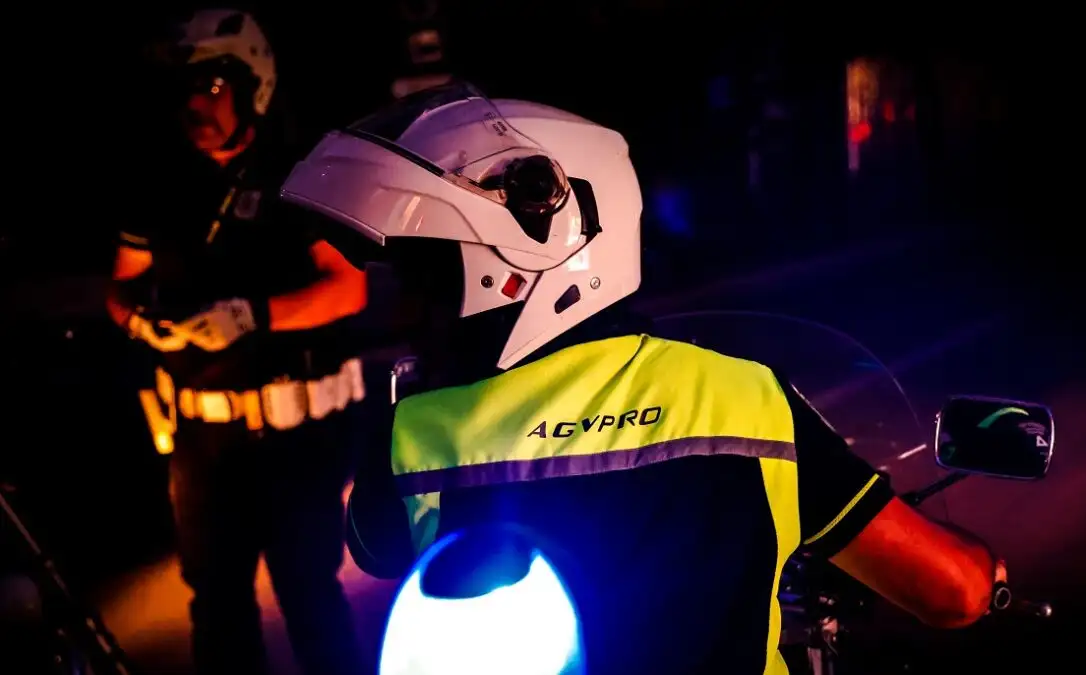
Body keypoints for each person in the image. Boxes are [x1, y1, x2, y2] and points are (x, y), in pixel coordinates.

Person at [281, 82, 1001, 675]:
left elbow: (378, 552)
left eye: (428, 276)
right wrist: (988, 570)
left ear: (523, 255)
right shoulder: (746, 398)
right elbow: (951, 591)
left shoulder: (418, 428)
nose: (409, 307)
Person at [105, 9, 368, 675]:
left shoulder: (301, 175)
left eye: (214, 87)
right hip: (201, 443)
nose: (196, 104)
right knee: (217, 611)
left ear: (255, 85)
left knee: (310, 598)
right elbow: (120, 287)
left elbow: (349, 289)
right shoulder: (159, 182)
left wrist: (253, 316)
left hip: (295, 438)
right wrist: (140, 322)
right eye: (187, 90)